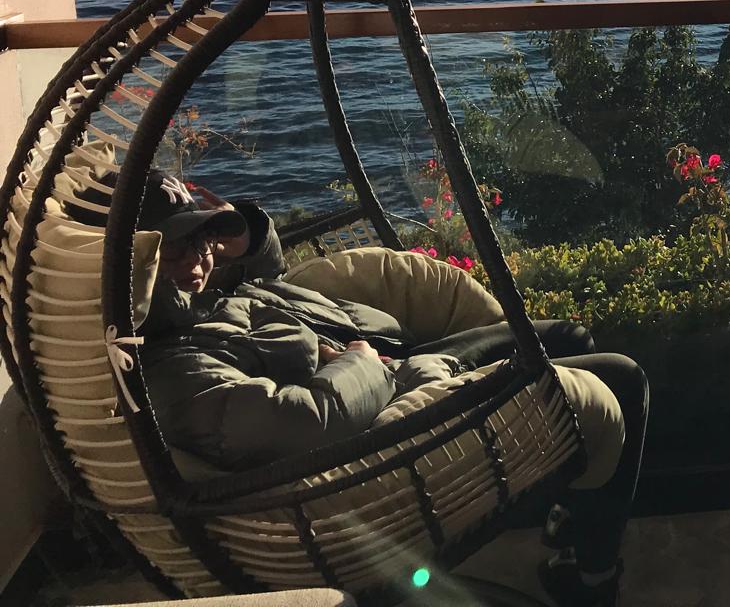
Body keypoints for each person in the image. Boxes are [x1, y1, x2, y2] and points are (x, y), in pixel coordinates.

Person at [137, 171, 646, 606]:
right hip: (395, 404)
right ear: (138, 267)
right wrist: (360, 360)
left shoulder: (202, 300)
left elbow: (265, 280)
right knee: (622, 380)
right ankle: (591, 580)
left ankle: (572, 519)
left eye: (203, 241)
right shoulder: (174, 367)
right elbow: (308, 421)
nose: (197, 260)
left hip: (395, 362)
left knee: (568, 337)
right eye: (175, 248)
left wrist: (243, 238)